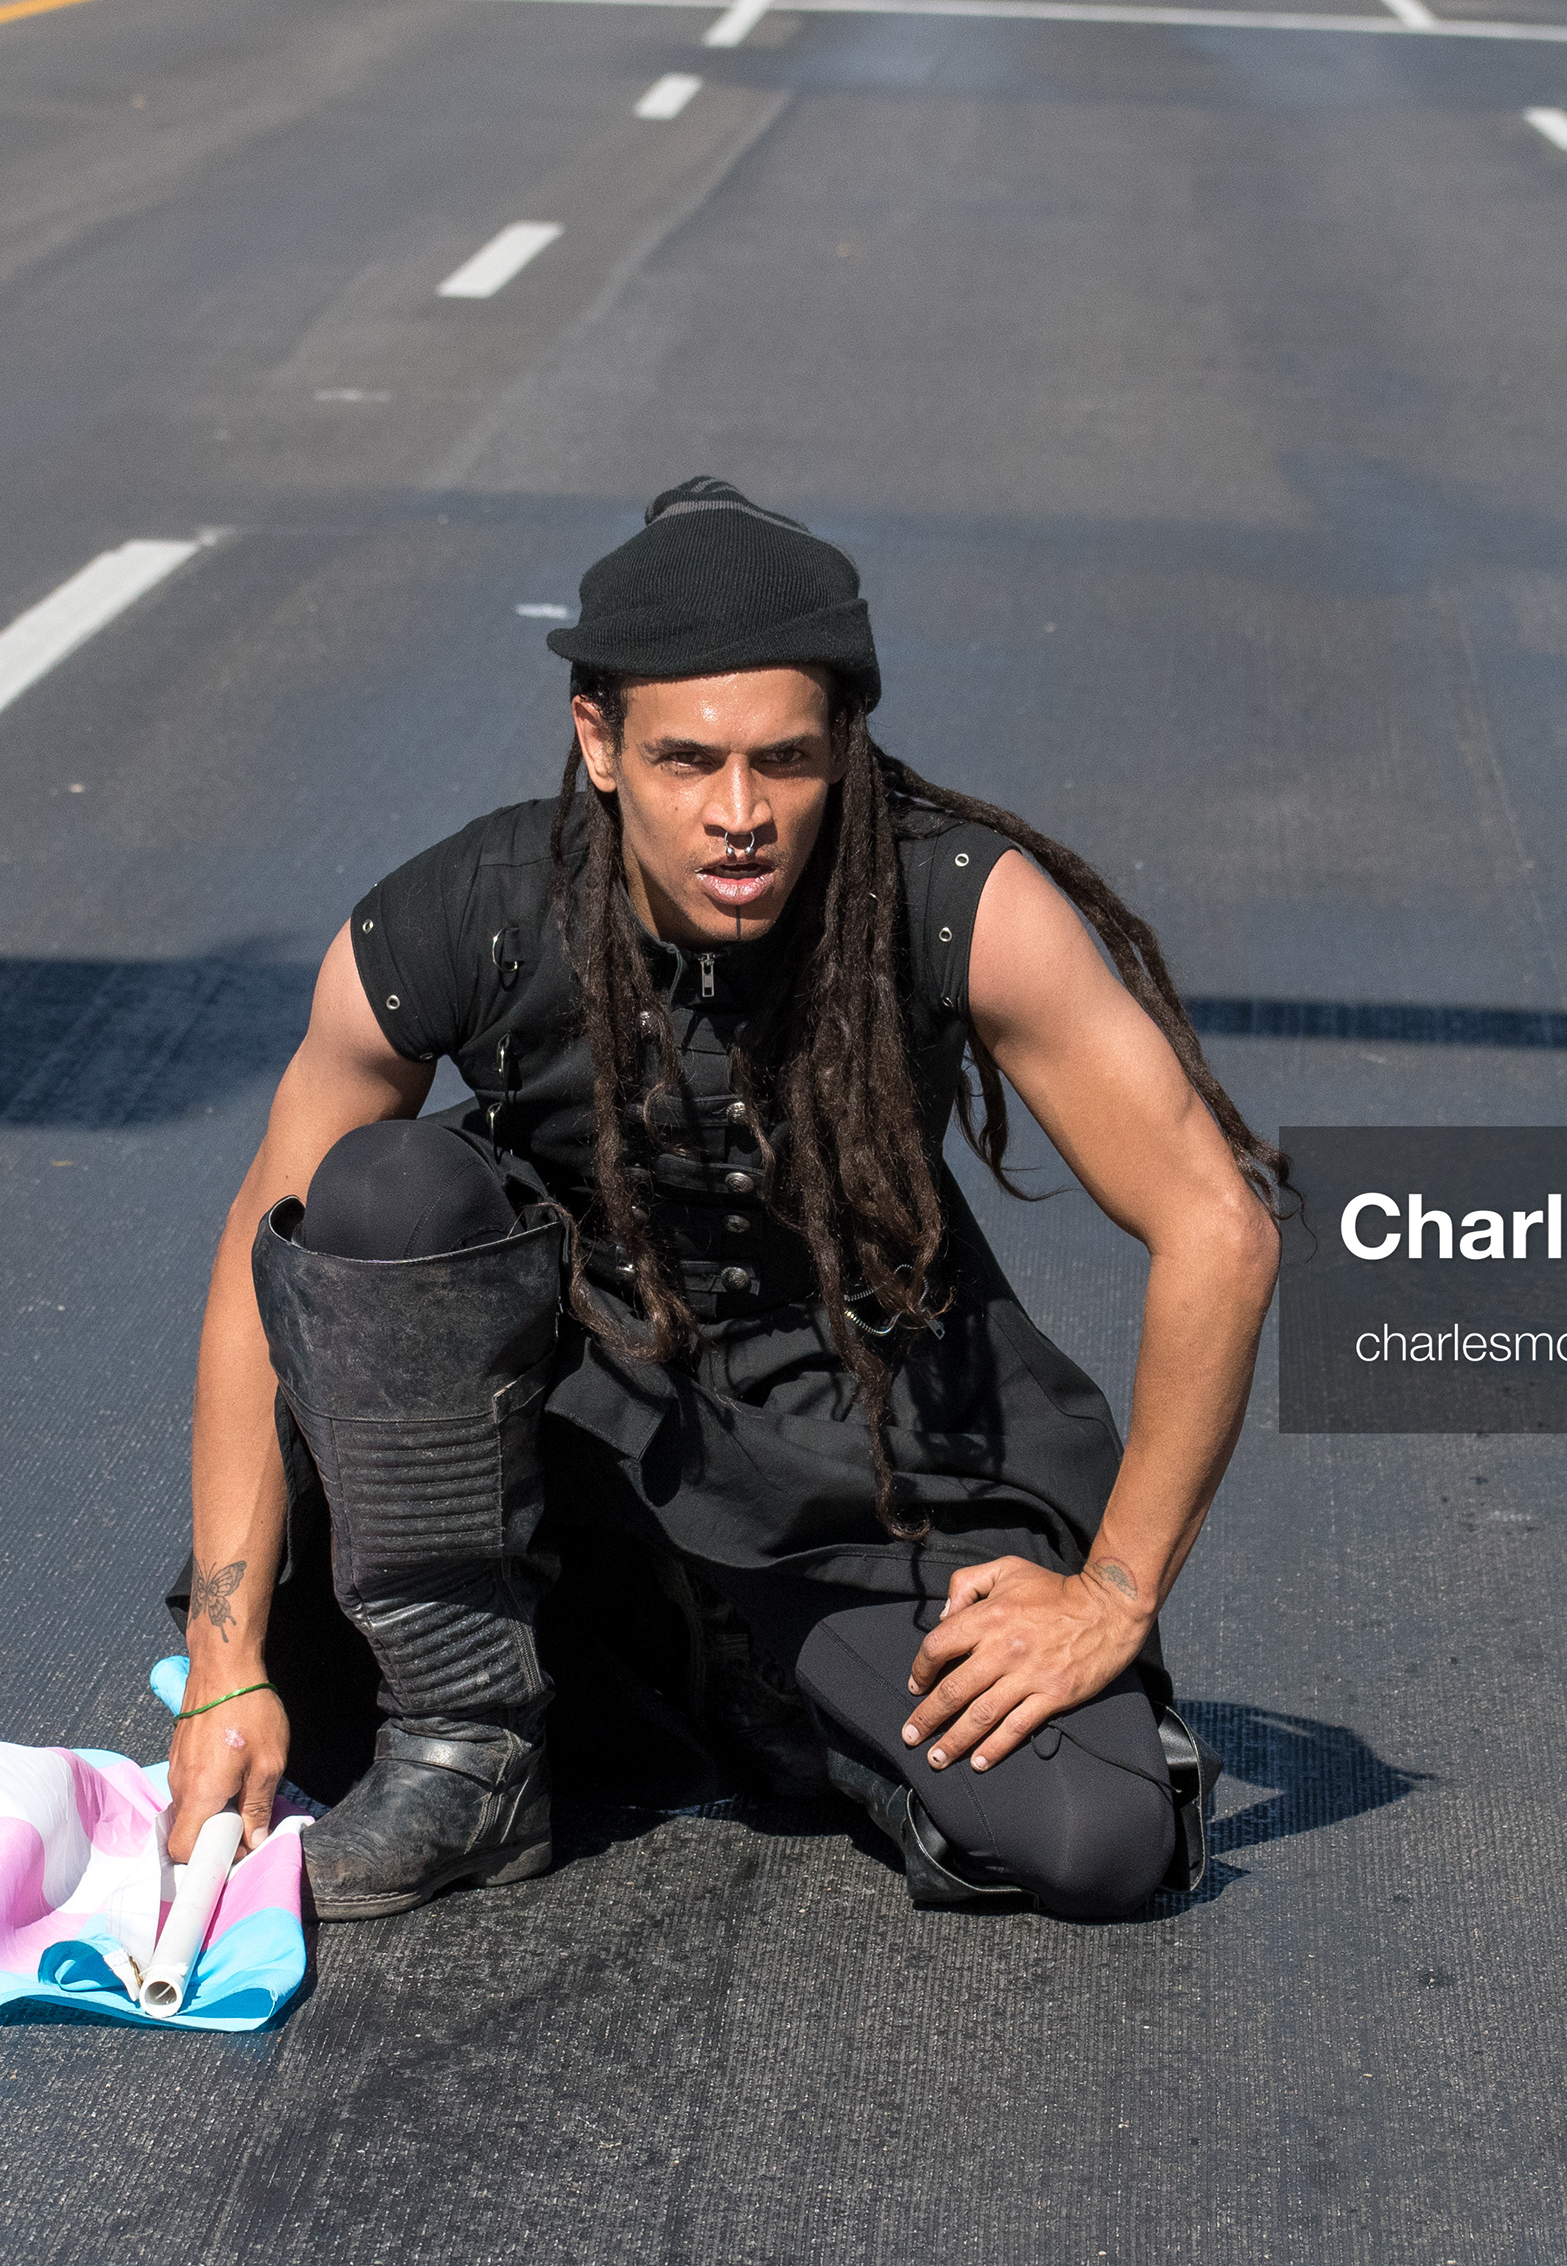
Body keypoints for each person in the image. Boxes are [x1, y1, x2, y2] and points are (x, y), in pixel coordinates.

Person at [166, 479, 1284, 1923]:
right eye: (689, 761)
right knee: (378, 1194)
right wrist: (226, 1658)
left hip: (854, 1454)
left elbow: (1221, 1227)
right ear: (600, 738)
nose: (740, 816)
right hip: (561, 1411)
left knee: (1093, 1838)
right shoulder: (472, 912)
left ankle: (765, 1692)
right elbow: (269, 1268)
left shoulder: (956, 903)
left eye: (786, 762)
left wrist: (1116, 1596)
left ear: (845, 745)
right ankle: (474, 1743)